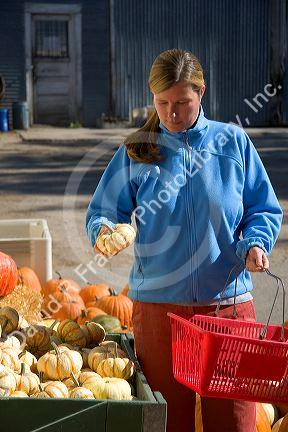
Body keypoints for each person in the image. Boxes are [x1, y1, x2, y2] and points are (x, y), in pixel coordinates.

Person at [86, 49, 283, 432]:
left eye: (182, 103)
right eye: (162, 103)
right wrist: (105, 232)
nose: (172, 114)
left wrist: (257, 242)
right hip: (160, 315)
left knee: (235, 422)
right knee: (167, 424)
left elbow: (263, 208)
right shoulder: (137, 151)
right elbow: (102, 211)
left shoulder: (233, 143)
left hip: (227, 311)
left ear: (201, 93)